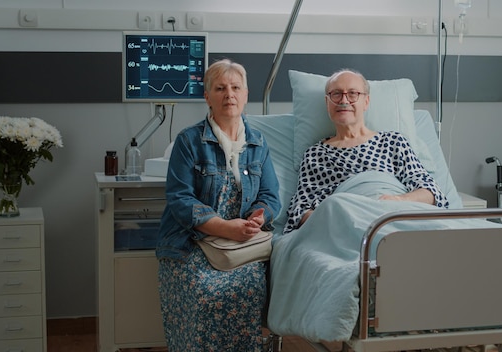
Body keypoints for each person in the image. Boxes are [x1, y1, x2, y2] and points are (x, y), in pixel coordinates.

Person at [156, 59, 281, 351]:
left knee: (249, 289)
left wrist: (257, 218)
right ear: (207, 96)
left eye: (236, 87)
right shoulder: (188, 141)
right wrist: (224, 227)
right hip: (192, 243)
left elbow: (271, 196)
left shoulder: (259, 144)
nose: (229, 95)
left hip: (241, 247)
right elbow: (180, 198)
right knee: (203, 292)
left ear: (246, 94)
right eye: (220, 88)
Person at [283, 69, 449, 234]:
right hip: (344, 226)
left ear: (366, 102)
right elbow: (300, 210)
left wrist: (398, 201)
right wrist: (338, 221)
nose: (344, 100)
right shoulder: (315, 155)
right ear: (327, 103)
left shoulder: (393, 142)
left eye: (353, 93)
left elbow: (431, 192)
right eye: (336, 94)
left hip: (393, 218)